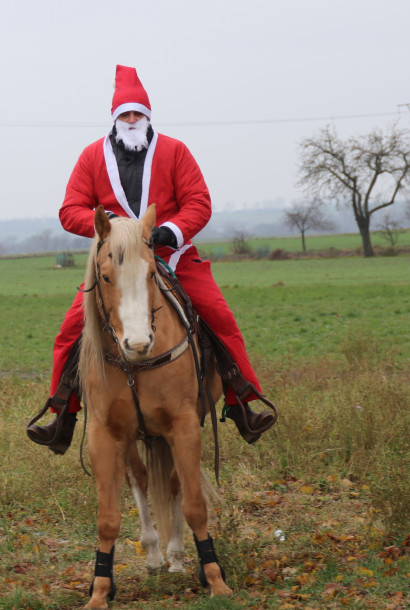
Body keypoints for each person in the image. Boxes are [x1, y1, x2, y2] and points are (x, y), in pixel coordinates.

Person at [27, 65, 275, 454]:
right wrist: (109, 227)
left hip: (171, 256)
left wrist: (170, 231)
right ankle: (62, 414)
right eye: (124, 114)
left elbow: (199, 203)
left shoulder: (176, 151)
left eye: (137, 114)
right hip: (116, 264)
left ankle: (244, 401)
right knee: (69, 332)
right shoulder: (92, 157)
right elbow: (69, 209)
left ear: (147, 117)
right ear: (114, 119)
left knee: (221, 319)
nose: (131, 120)